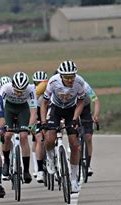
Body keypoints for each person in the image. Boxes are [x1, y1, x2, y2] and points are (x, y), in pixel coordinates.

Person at [40, 60, 86, 193]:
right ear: (61, 76)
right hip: (55, 108)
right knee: (49, 139)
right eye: (67, 77)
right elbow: (44, 102)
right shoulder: (53, 82)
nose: (70, 79)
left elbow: (81, 102)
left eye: (72, 76)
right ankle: (49, 158)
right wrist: (43, 122)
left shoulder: (79, 82)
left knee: (74, 144)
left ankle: (73, 180)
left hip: (71, 109)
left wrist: (75, 119)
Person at [0, 71, 38, 184]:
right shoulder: (6, 88)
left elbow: (33, 111)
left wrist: (30, 125)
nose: (19, 94)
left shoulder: (31, 90)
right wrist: (1, 126)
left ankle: (26, 170)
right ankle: (6, 161)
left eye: (22, 91)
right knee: (7, 135)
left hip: (23, 109)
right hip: (8, 109)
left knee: (24, 136)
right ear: (13, 86)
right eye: (17, 91)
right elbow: (0, 108)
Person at [76, 74, 101, 176]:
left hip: (85, 108)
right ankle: (77, 161)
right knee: (74, 136)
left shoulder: (86, 86)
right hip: (73, 108)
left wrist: (95, 115)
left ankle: (88, 164)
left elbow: (96, 101)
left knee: (88, 137)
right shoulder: (68, 88)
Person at [32, 70, 48, 183]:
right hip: (36, 113)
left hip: (48, 111)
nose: (39, 86)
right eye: (37, 83)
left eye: (41, 83)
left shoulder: (50, 90)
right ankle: (38, 168)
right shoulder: (33, 92)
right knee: (38, 140)